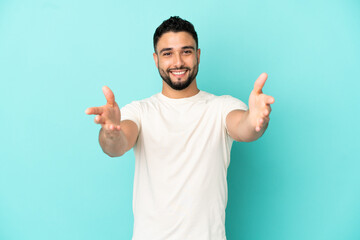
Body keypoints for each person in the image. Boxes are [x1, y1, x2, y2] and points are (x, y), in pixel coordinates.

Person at [86, 16, 274, 240]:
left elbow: (245, 128)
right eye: (167, 53)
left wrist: (256, 120)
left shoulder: (222, 107)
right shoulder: (139, 111)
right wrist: (110, 131)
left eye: (186, 51)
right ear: (156, 60)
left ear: (198, 55)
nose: (178, 62)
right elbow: (116, 145)